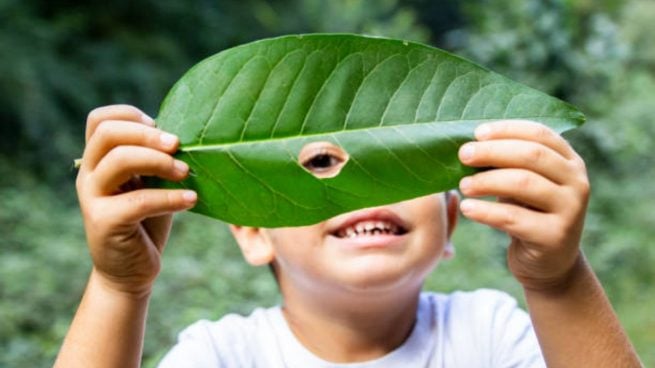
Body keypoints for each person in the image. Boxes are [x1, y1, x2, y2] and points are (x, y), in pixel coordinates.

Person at [55, 104, 641, 367]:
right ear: (254, 232)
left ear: (450, 224)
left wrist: (559, 281)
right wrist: (118, 287)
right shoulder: (222, 356)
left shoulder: (490, 334)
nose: (366, 188)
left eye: (400, 166)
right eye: (321, 165)